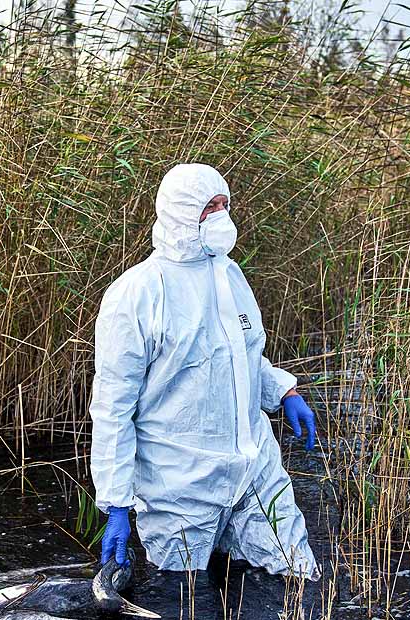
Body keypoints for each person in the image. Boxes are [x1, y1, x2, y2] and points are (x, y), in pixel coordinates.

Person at [89, 162, 319, 580]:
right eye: (208, 207)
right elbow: (112, 406)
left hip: (254, 467)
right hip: (179, 483)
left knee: (297, 574)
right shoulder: (138, 292)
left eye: (224, 205)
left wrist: (284, 392)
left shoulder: (229, 274)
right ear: (179, 211)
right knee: (183, 601)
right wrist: (117, 503)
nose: (220, 217)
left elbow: (239, 356)